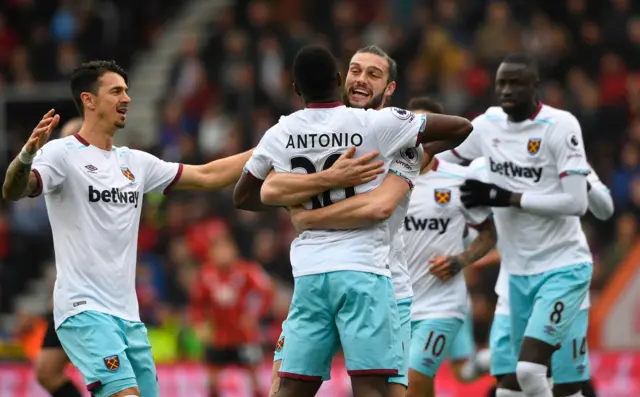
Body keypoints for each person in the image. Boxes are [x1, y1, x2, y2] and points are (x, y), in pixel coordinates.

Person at [1, 60, 262, 397]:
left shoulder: (134, 163)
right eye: (116, 91)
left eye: (126, 90)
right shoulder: (60, 153)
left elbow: (207, 176)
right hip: (84, 310)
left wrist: (264, 150)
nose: (126, 98)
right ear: (89, 100)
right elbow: (14, 190)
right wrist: (24, 158)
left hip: (128, 317)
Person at [234, 45, 472, 397]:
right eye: (355, 70)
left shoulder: (285, 132)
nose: (361, 79)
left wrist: (302, 210)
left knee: (301, 387)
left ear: (390, 89)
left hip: (366, 279)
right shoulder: (375, 125)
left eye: (373, 74)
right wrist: (323, 182)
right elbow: (459, 127)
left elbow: (248, 194)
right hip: (355, 275)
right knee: (346, 387)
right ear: (340, 79)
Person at [437, 53, 593, 397]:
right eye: (501, 83)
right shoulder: (488, 124)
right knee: (509, 385)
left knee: (532, 372)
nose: (506, 89)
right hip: (516, 276)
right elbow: (437, 163)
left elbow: (578, 202)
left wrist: (505, 196)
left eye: (516, 82)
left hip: (561, 268)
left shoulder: (561, 126)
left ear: (535, 86)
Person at [466, 159, 613, 397]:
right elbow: (476, 223)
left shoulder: (566, 157)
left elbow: (605, 209)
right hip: (512, 293)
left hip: (562, 288)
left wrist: (576, 177)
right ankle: (484, 362)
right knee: (508, 386)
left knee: (564, 384)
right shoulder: (482, 166)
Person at [399, 101, 496, 397]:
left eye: (424, 130)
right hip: (396, 304)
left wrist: (459, 261)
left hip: (442, 305)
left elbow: (489, 233)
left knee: (414, 378)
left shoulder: (458, 180)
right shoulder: (386, 180)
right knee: (407, 387)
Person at [33, 117, 84, 397]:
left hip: (94, 296)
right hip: (67, 292)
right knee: (47, 371)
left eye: (71, 140)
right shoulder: (59, 179)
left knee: (108, 374)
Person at [190, 233, 274, 397]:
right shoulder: (205, 274)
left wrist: (253, 315)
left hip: (244, 335)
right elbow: (197, 304)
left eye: (225, 249)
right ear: (211, 253)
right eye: (217, 249)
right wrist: (200, 324)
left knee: (255, 379)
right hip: (218, 336)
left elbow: (266, 292)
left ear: (233, 251)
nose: (222, 253)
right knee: (212, 382)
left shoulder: (247, 270)